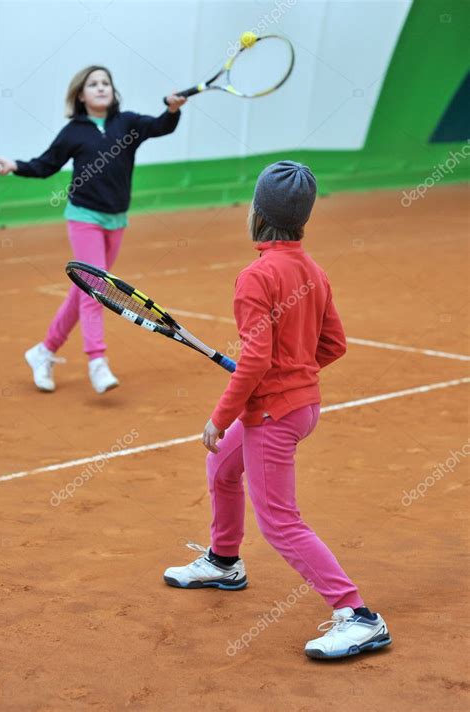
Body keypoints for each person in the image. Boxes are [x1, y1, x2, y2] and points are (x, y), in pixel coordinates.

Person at [163, 161, 392, 660]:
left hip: (271, 417)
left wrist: (221, 416)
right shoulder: (312, 270)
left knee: (281, 522)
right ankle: (224, 560)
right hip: (299, 407)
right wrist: (294, 375)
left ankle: (357, 616)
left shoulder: (255, 276)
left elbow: (256, 359)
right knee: (222, 467)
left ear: (256, 213)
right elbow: (334, 344)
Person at [0, 65, 185, 393]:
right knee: (97, 286)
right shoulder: (74, 132)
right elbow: (45, 165)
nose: (101, 88)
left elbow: (159, 127)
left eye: (106, 83)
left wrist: (171, 110)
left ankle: (44, 351)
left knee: (84, 287)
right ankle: (97, 361)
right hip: (84, 216)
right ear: (80, 95)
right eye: (93, 84)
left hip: (116, 220)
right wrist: (15, 166)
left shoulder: (127, 123)